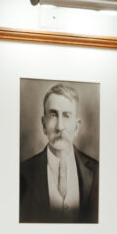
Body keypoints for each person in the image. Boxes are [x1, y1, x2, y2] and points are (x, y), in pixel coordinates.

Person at [19, 83, 99, 224]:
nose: (60, 126)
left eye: (67, 116)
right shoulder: (23, 172)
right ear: (44, 125)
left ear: (76, 126)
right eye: (53, 115)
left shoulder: (97, 171)